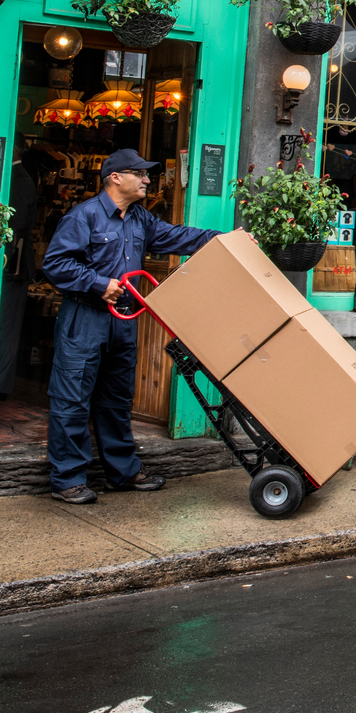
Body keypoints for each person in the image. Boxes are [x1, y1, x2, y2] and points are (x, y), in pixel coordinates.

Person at [41, 148, 223, 504]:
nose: (146, 179)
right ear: (115, 178)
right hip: (85, 318)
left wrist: (223, 238)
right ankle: (68, 480)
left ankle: (122, 472)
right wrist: (98, 283)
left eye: (146, 174)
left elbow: (178, 236)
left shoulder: (140, 218)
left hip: (123, 322)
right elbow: (56, 264)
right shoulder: (84, 216)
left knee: (117, 399)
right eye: (139, 174)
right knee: (71, 399)